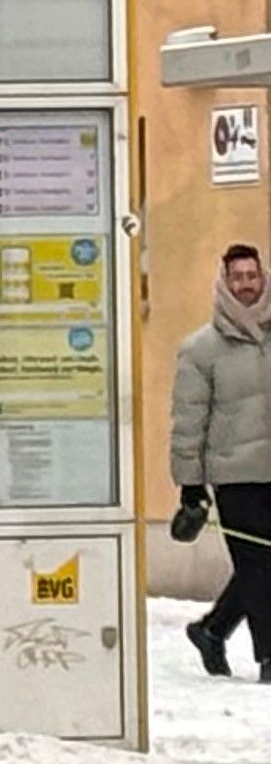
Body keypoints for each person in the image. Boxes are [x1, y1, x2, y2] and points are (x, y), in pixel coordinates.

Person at [172, 243, 271, 677]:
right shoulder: (201, 349)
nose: (246, 284)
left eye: (252, 276)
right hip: (235, 474)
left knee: (264, 564)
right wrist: (191, 485)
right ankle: (270, 656)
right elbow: (188, 421)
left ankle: (213, 629)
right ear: (225, 282)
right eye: (238, 277)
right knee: (257, 565)